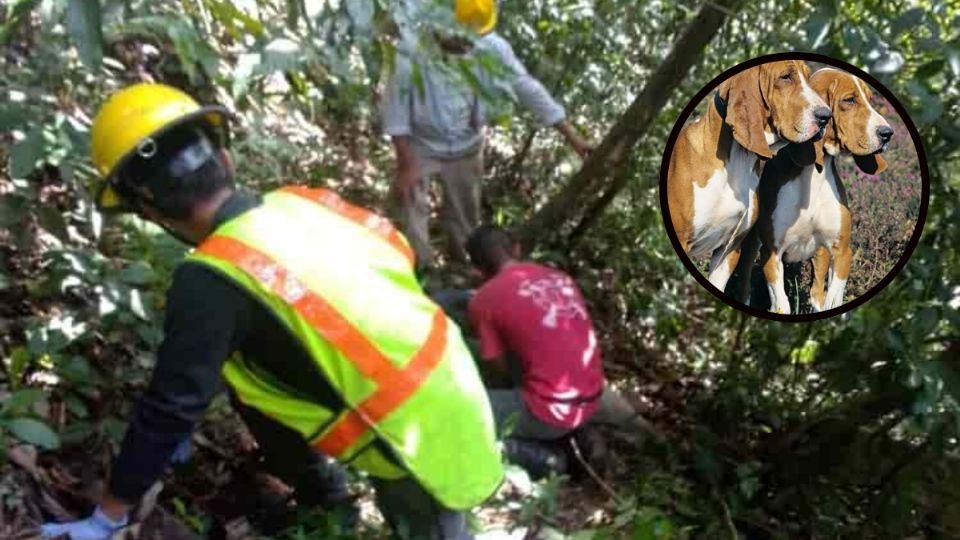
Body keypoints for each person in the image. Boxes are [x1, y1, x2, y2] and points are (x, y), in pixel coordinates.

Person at [40, 83, 504, 540]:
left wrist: (108, 518)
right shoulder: (299, 203)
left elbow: (170, 406)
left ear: (150, 211)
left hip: (414, 436)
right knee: (246, 372)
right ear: (226, 160)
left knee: (426, 524)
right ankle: (323, 494)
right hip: (450, 380)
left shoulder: (211, 278)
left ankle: (333, 496)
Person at [383, 0, 591, 269]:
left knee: (464, 218)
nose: (467, 45)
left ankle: (463, 268)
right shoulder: (412, 48)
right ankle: (417, 269)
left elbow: (528, 89)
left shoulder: (492, 48)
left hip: (466, 144)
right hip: (419, 143)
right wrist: (406, 164)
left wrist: (572, 136)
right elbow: (394, 107)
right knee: (410, 211)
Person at [464, 225, 638, 477]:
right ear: (516, 249)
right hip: (591, 396)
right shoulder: (560, 278)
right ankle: (579, 434)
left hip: (549, 410)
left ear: (477, 269)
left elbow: (497, 367)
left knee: (464, 410)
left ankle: (551, 460)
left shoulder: (484, 299)